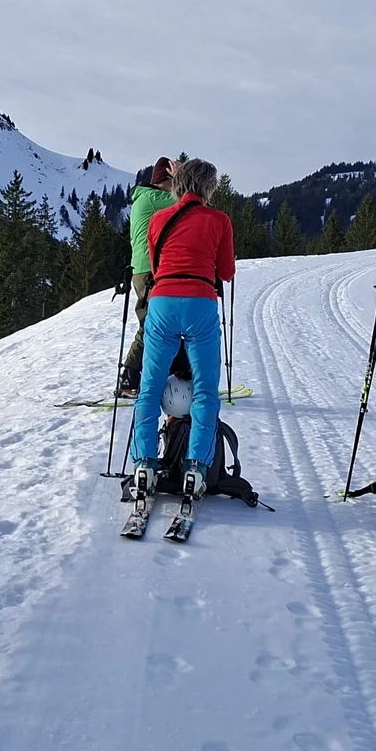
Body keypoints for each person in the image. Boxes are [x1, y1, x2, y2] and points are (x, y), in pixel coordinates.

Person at [129, 157, 235, 498]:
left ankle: (144, 462)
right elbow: (227, 271)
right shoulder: (219, 220)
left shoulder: (160, 218)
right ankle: (195, 467)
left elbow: (157, 263)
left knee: (150, 385)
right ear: (209, 188)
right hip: (200, 301)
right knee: (205, 389)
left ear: (179, 184)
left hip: (161, 300)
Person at [117, 156, 178, 396]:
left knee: (156, 323)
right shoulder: (155, 199)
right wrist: (187, 177)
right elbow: (190, 202)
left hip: (145, 269)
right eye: (175, 180)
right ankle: (129, 378)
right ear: (166, 180)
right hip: (149, 271)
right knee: (151, 324)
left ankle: (142, 376)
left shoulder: (148, 198)